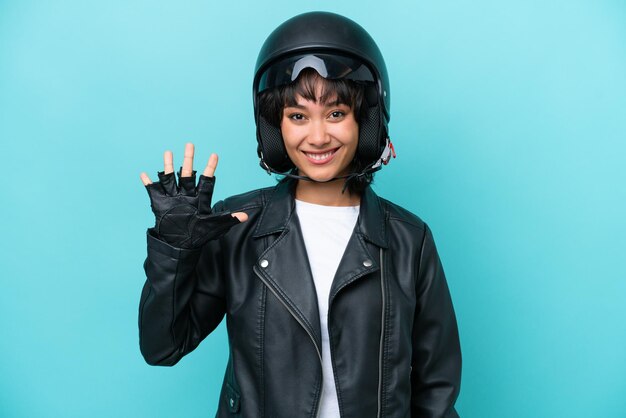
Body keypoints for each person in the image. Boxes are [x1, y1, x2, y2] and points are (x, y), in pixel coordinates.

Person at [138, 11, 461, 418]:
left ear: (368, 121)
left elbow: (436, 390)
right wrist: (174, 251)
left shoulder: (410, 241)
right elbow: (162, 347)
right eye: (297, 116)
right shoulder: (235, 226)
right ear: (274, 128)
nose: (318, 136)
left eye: (336, 113)